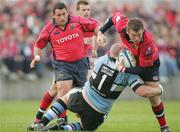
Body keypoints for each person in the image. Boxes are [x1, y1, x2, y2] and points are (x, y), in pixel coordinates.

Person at [27, 43, 163, 131]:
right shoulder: (129, 75)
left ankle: (42, 123)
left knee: (65, 98)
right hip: (98, 113)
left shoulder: (101, 60)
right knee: (83, 126)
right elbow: (142, 92)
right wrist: (159, 90)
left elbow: (91, 76)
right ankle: (62, 129)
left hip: (83, 98)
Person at [97, 12, 171, 132]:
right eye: (133, 35)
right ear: (127, 31)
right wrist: (100, 32)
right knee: (113, 55)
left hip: (149, 65)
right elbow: (113, 17)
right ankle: (101, 111)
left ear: (143, 31)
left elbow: (143, 69)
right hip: (130, 57)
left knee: (154, 98)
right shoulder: (122, 25)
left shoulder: (147, 43)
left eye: (139, 35)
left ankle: (164, 127)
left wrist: (124, 68)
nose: (136, 38)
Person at [29, 2, 99, 125]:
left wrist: (98, 42)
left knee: (81, 94)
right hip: (62, 64)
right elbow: (38, 44)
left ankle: (80, 120)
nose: (62, 17)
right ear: (54, 16)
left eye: (64, 14)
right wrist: (37, 56)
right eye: (83, 9)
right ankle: (59, 119)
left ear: (68, 13)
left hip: (81, 63)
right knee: (62, 89)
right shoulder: (49, 28)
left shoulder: (82, 22)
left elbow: (97, 30)